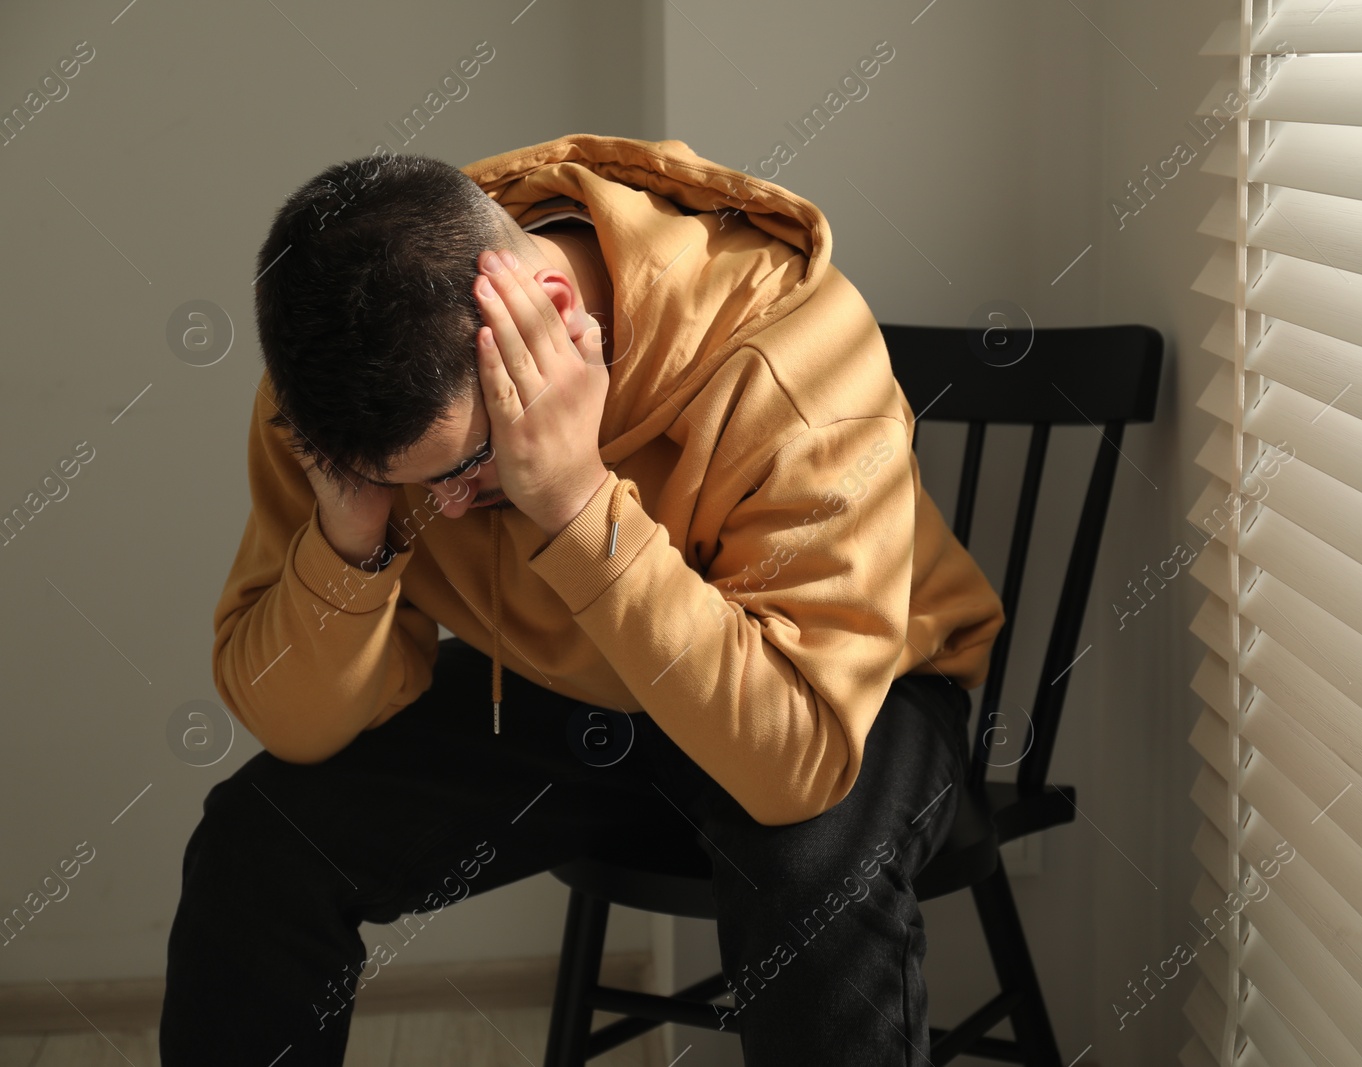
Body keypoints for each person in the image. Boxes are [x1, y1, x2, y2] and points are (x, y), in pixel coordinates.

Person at [159, 133, 1005, 1065]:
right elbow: (299, 725)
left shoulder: (793, 356)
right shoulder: (347, 394)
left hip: (849, 696)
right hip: (585, 691)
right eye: (396, 480)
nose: (439, 505)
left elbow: (796, 761)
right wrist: (350, 534)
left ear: (551, 315)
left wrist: (571, 501)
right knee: (259, 844)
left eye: (467, 464)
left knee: (807, 873)